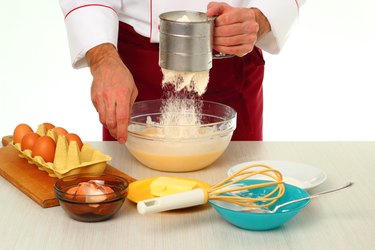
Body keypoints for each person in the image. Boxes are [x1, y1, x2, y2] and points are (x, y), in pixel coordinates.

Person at [59, 0, 306, 143]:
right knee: (132, 211)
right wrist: (103, 59)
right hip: (132, 70)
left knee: (239, 201)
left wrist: (261, 16)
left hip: (230, 58)